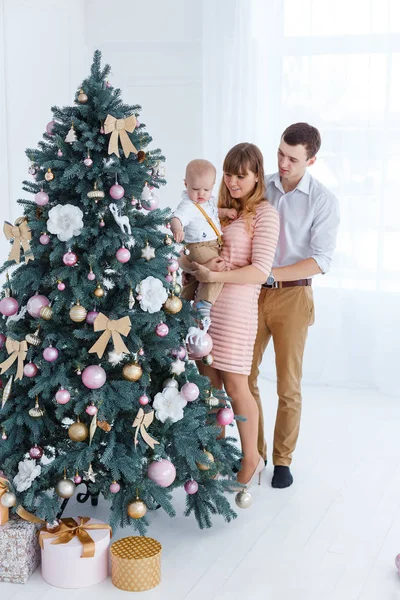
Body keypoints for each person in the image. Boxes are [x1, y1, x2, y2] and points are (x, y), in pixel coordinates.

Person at [249, 122, 340, 489]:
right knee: (244, 376)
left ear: (311, 160)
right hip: (251, 294)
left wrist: (271, 273)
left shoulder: (323, 200)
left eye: (293, 158)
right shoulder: (262, 187)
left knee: (288, 385)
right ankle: (253, 454)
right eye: (280, 154)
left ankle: (283, 461)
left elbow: (321, 260)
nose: (283, 164)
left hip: (294, 296)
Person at [186, 143, 280, 487]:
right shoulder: (217, 207)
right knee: (208, 387)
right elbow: (195, 250)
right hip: (207, 306)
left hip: (237, 310)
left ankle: (251, 458)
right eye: (229, 174)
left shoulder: (265, 214)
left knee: (237, 386)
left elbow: (260, 271)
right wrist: (197, 268)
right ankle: (212, 458)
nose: (233, 181)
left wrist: (217, 276)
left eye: (241, 175)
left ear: (257, 175)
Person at [170, 159, 237, 320]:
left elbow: (213, 213)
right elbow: (176, 218)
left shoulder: (209, 201)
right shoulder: (188, 206)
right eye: (196, 189)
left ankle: (185, 300)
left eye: (206, 189)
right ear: (186, 184)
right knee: (217, 270)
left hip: (212, 245)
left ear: (213, 185)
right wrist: (177, 228)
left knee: (196, 277)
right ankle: (204, 303)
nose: (201, 194)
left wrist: (226, 212)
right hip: (198, 246)